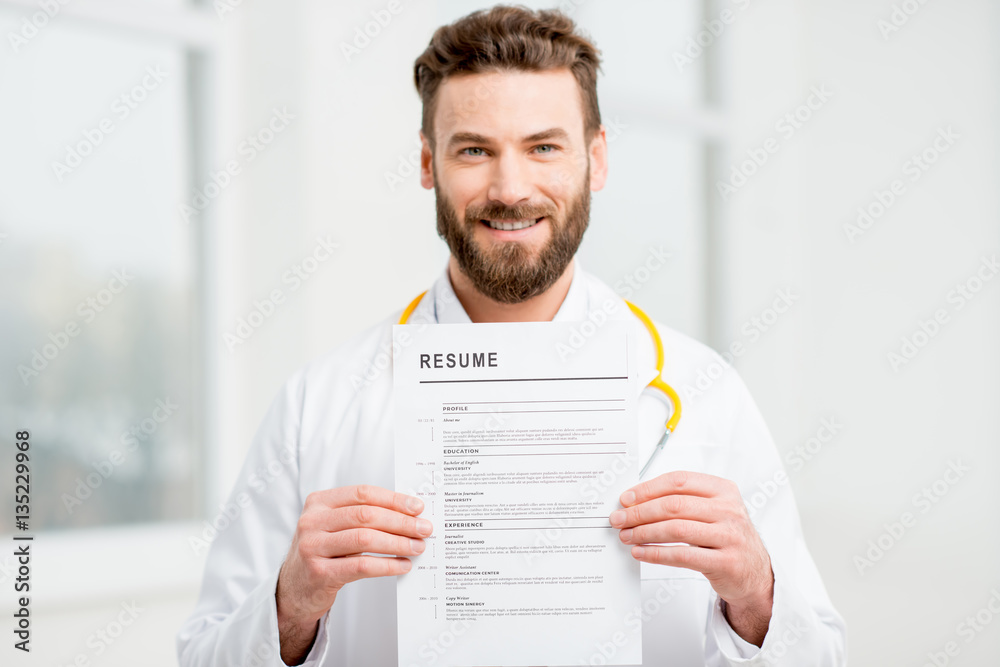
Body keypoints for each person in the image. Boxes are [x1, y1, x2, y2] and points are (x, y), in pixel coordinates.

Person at [177, 5, 847, 666]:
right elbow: (203, 657)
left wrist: (758, 596)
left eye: (543, 147)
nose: (510, 187)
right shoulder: (319, 405)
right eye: (474, 150)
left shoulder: (706, 395)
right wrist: (290, 604)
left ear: (597, 158)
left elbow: (822, 657)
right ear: (426, 162)